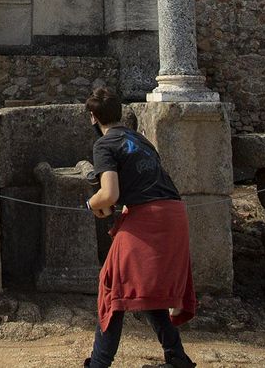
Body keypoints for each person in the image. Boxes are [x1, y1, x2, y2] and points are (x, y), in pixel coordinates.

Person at [83, 87, 197, 368]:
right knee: (147, 289)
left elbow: (108, 194)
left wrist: (90, 204)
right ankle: (177, 358)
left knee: (114, 287)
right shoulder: (140, 139)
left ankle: (99, 363)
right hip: (173, 214)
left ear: (93, 117)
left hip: (149, 218)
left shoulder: (105, 144)